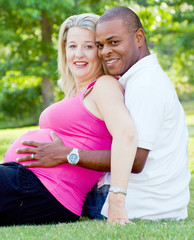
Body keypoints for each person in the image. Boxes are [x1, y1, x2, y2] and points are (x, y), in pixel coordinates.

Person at [16, 7, 190, 221]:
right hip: (131, 197)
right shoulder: (137, 80)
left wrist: (66, 154)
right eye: (100, 45)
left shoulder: (147, 85)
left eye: (114, 42)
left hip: (139, 204)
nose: (105, 51)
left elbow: (134, 159)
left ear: (139, 38)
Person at [0, 13, 137, 226]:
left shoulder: (104, 85)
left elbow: (126, 134)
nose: (78, 54)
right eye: (72, 46)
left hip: (47, 190)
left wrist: (117, 204)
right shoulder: (75, 91)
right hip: (28, 183)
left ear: (100, 50)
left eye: (88, 46)